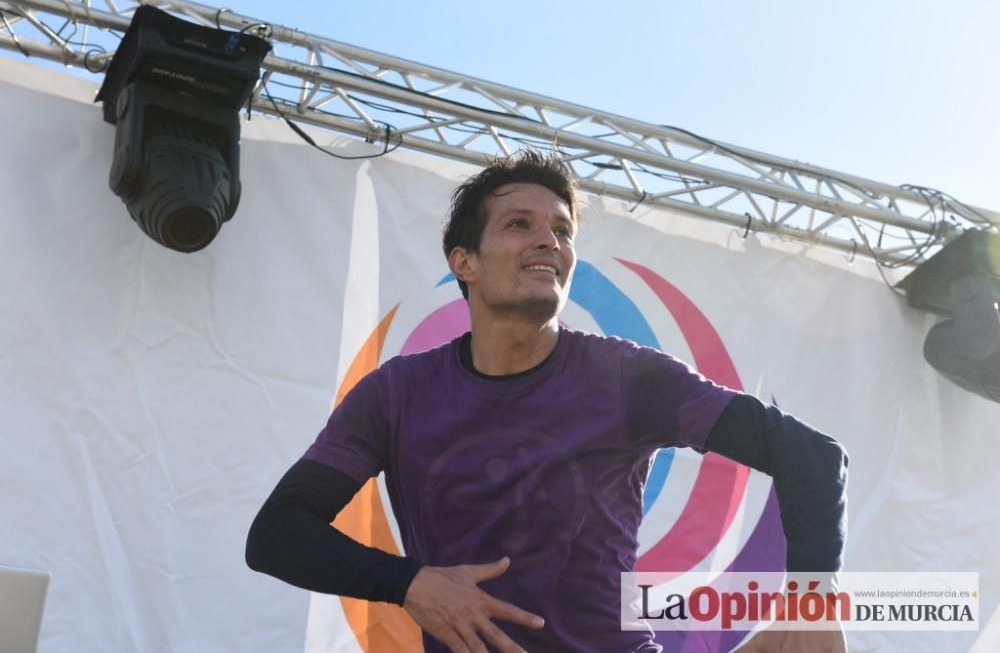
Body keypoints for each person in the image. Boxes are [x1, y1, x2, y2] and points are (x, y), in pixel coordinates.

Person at [246, 150, 849, 653]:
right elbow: (277, 533)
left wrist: (813, 603)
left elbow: (813, 458)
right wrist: (410, 583)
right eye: (519, 225)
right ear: (465, 263)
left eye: (562, 230)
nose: (548, 241)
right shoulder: (395, 393)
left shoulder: (629, 376)